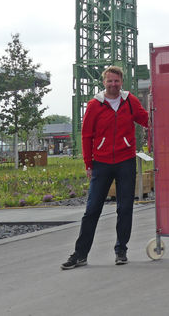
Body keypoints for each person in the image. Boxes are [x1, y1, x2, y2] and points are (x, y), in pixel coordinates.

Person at [61, 65, 149, 269]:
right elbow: (86, 135)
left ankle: (121, 250)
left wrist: (156, 111)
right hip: (101, 163)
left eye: (117, 81)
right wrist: (88, 163)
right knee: (92, 209)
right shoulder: (95, 105)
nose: (113, 84)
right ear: (104, 82)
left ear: (122, 82)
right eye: (110, 81)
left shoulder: (130, 102)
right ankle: (80, 254)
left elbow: (145, 119)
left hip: (126, 160)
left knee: (125, 208)